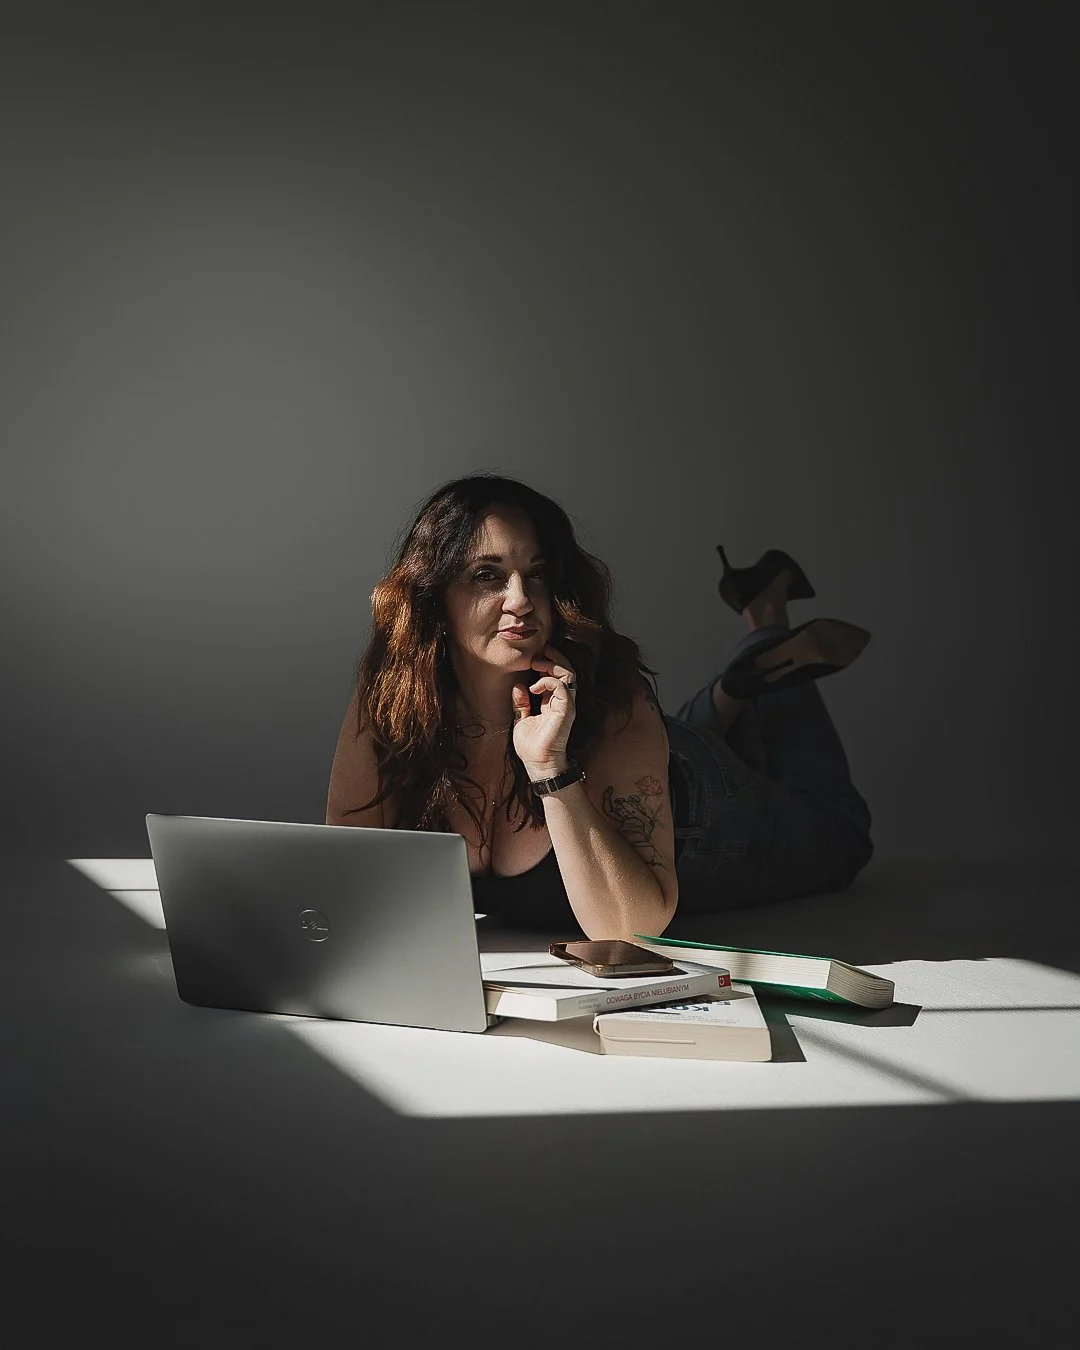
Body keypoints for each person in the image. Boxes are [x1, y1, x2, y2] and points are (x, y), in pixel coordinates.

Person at [325, 473, 874, 940]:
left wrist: (549, 770)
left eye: (535, 574)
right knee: (712, 716)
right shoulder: (393, 700)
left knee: (841, 835)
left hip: (704, 802)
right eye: (486, 575)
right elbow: (347, 887)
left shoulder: (612, 695)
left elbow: (629, 930)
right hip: (650, 748)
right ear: (432, 594)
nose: (519, 599)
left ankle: (766, 629)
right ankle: (735, 687)